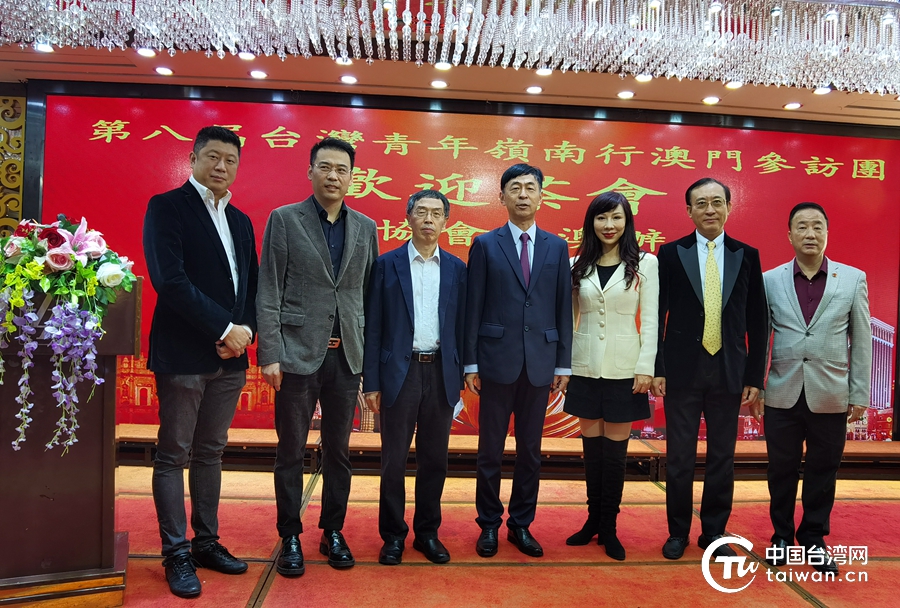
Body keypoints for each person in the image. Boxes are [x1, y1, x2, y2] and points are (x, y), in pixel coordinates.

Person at [143, 126, 258, 598]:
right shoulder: (167, 207)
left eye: (230, 160)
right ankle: (176, 553)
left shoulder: (242, 220)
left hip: (231, 359)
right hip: (184, 355)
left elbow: (250, 286)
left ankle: (206, 542)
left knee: (211, 451)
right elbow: (170, 281)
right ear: (192, 159)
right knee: (174, 453)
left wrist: (244, 332)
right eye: (212, 156)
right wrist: (224, 328)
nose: (221, 166)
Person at [256, 137, 379, 577]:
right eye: (325, 167)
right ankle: (290, 533)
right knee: (290, 450)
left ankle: (332, 530)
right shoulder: (285, 219)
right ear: (310, 171)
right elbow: (269, 286)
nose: (333, 175)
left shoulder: (365, 227)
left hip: (346, 357)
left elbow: (369, 295)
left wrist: (369, 359)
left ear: (352, 177)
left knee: (339, 451)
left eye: (342, 169)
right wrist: (270, 352)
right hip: (295, 355)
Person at [651, 177, 767, 560]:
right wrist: (657, 367)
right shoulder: (671, 254)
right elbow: (657, 314)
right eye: (700, 203)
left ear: (729, 207)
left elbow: (758, 321)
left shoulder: (746, 255)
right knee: (679, 457)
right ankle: (677, 532)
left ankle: (714, 533)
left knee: (722, 459)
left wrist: (755, 377)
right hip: (681, 372)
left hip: (729, 372)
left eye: (717, 202)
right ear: (689, 211)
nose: (710, 209)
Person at [752, 202, 871, 575]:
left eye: (817, 226)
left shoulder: (852, 279)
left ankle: (814, 538)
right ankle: (782, 537)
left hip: (831, 393)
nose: (810, 233)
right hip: (781, 391)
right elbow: (761, 339)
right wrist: (756, 387)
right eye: (802, 226)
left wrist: (859, 393)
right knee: (781, 469)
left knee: (824, 469)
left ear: (827, 233)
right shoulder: (770, 280)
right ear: (789, 234)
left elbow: (862, 339)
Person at [464, 163, 573, 559]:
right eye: (515, 188)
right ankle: (489, 524)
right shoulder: (485, 244)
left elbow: (562, 307)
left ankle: (521, 524)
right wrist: (470, 363)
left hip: (540, 363)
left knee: (530, 451)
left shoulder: (556, 247)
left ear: (541, 196)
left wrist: (563, 364)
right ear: (502, 197)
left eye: (530, 187)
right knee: (489, 451)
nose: (523, 194)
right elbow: (473, 306)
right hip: (496, 362)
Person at [362, 190, 468, 566]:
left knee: (434, 459)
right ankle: (392, 535)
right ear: (408, 217)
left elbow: (463, 326)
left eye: (436, 214)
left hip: (441, 372)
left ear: (446, 222)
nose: (428, 219)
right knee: (393, 460)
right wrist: (371, 382)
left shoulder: (457, 268)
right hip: (399, 373)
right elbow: (373, 326)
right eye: (421, 211)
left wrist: (463, 372)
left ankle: (427, 533)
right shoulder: (386, 265)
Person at [564, 191, 659, 561]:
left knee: (615, 454)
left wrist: (646, 367)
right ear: (591, 223)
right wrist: (565, 366)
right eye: (601, 218)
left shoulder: (645, 264)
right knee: (592, 452)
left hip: (625, 369)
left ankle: (609, 527)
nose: (609, 225)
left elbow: (650, 320)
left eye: (616, 217)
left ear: (627, 221)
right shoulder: (577, 264)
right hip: (585, 366)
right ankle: (592, 520)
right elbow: (571, 319)